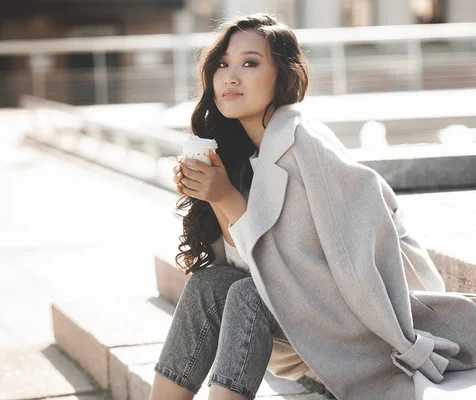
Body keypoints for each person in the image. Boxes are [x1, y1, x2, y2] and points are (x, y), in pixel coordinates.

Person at [150, 13, 476, 400]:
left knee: (246, 296)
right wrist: (216, 197)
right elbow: (250, 264)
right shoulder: (242, 152)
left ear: (283, 76)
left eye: (250, 63)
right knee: (210, 283)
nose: (230, 76)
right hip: (309, 313)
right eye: (222, 64)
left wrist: (226, 198)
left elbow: (348, 270)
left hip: (360, 321)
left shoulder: (307, 145)